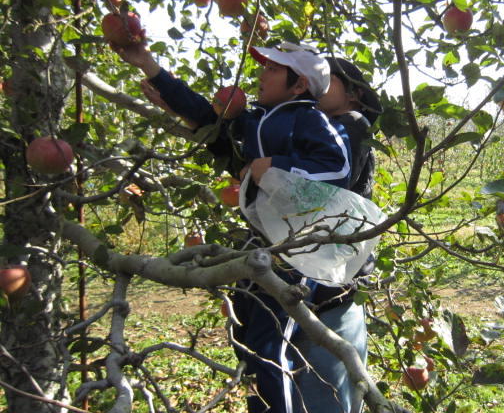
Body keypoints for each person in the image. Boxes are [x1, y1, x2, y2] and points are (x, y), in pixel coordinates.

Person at [111, 40, 353, 413]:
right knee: (245, 334)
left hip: (299, 247)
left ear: (300, 85)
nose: (261, 74)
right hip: (261, 243)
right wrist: (149, 65)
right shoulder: (254, 118)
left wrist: (275, 166)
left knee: (271, 341)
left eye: (273, 69)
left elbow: (338, 169)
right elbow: (205, 115)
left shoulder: (308, 118)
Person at [290, 57, 382, 413]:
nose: (315, 84)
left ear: (354, 95)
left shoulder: (351, 126)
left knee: (323, 390)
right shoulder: (320, 131)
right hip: (321, 287)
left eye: (327, 78)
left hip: (328, 290)